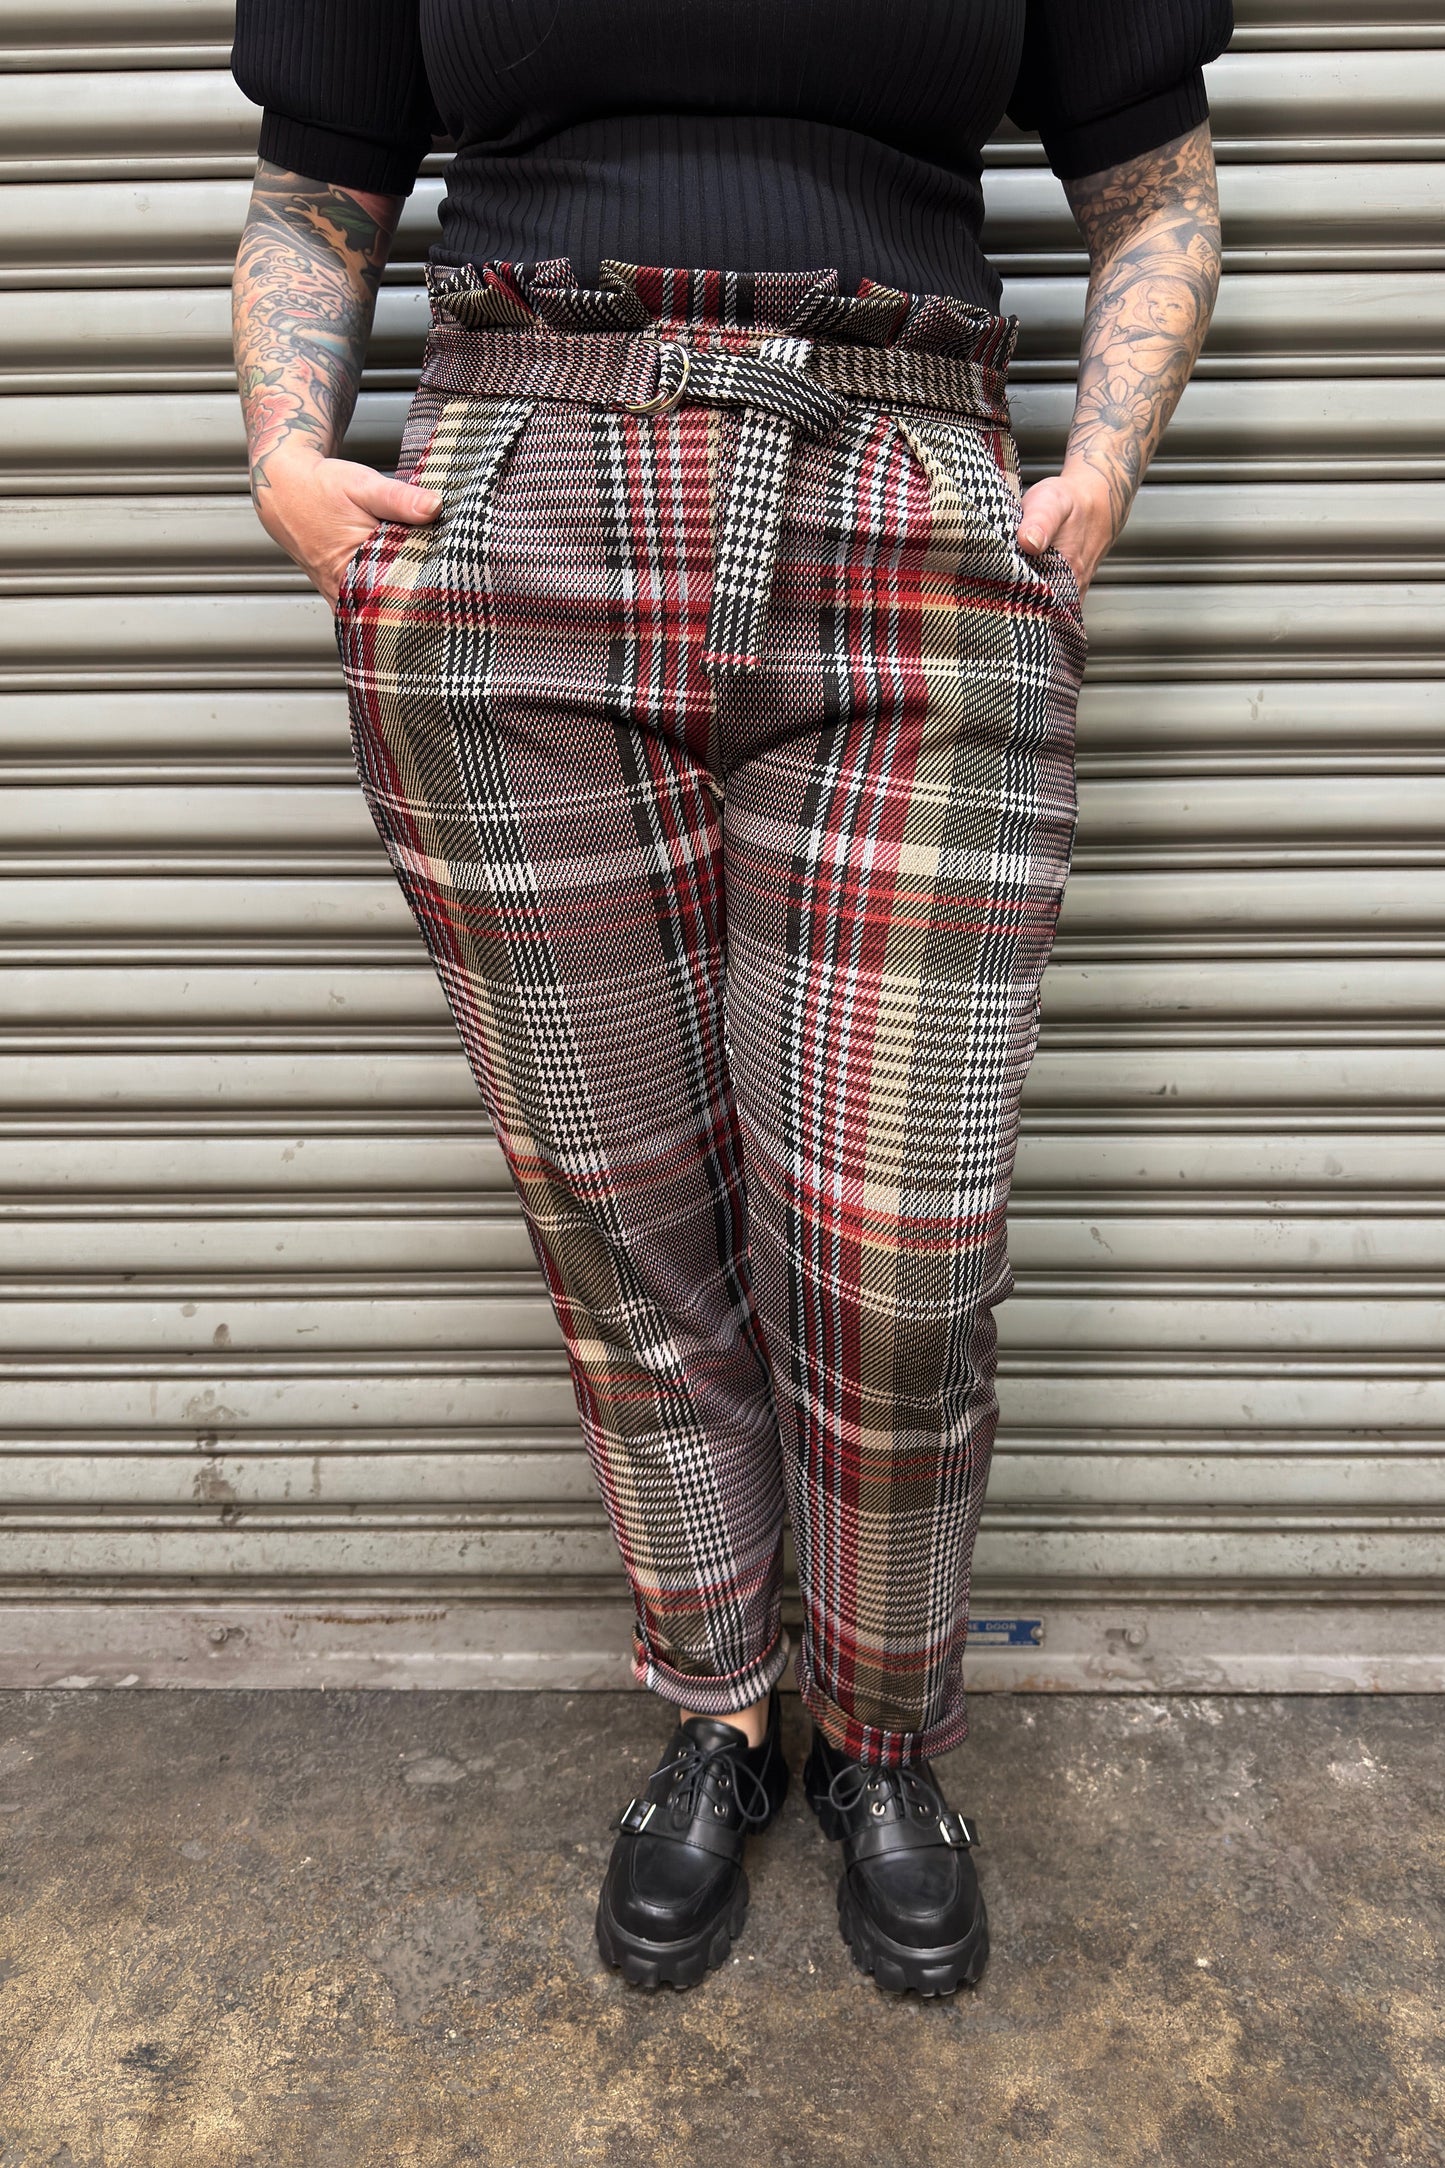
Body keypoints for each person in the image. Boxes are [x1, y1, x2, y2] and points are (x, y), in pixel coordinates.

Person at [230, 0, 1230, 1998]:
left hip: (904, 495)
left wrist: (1100, 469)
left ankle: (882, 1734)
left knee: (900, 1257)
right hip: (522, 501)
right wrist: (284, 453)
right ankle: (721, 1709)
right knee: (627, 1227)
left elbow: (1156, 182)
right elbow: (317, 181)